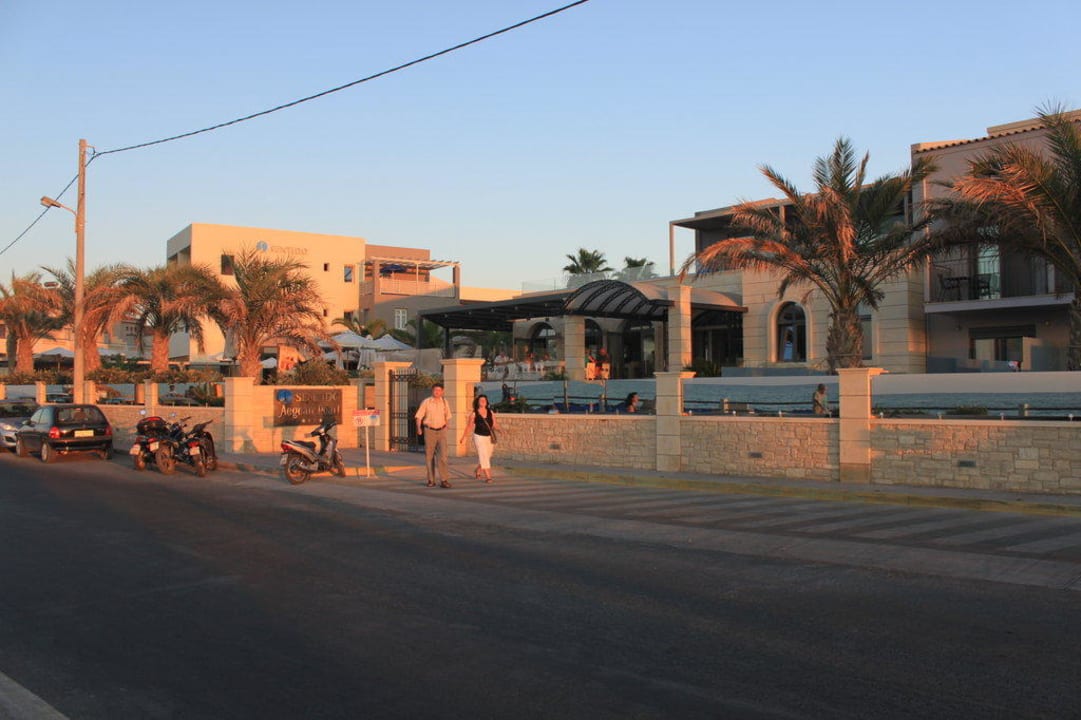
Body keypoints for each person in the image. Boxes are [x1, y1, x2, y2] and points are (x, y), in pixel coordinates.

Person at [415, 383, 452, 488]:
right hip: (429, 430)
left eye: (439, 390)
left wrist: (447, 425)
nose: (437, 392)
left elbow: (448, 415)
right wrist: (419, 428)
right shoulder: (426, 402)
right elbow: (419, 416)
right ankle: (431, 480)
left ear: (442, 392)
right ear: (432, 391)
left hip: (441, 431)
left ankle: (444, 480)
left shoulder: (444, 402)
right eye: (435, 390)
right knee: (429, 456)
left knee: (443, 456)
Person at [459, 394, 499, 483]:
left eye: (484, 400)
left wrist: (502, 430)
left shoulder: (490, 412)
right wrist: (464, 437)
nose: (483, 401)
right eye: (481, 400)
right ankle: (488, 477)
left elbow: (494, 424)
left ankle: (478, 470)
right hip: (479, 436)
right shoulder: (474, 414)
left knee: (488, 455)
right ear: (478, 402)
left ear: (487, 402)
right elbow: (469, 426)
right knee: (483, 455)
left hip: (489, 437)